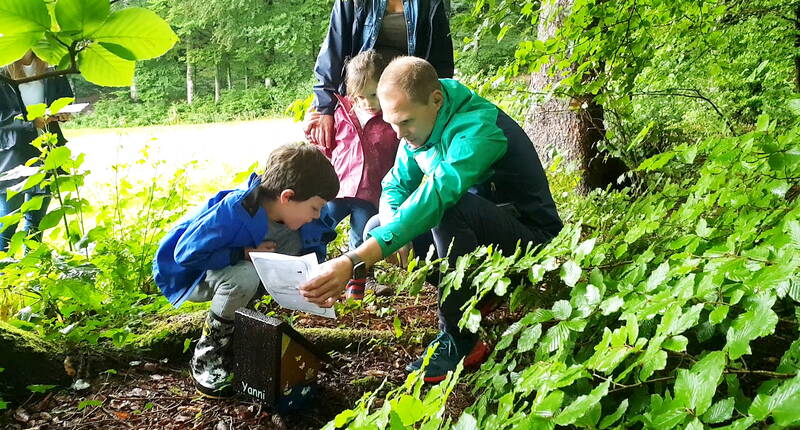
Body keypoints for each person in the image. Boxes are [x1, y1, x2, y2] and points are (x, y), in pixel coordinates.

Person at [300, 57, 563, 383]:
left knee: (448, 209)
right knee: (377, 227)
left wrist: (354, 259)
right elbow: (393, 186)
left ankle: (459, 338)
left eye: (405, 122)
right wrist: (396, 229)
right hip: (484, 243)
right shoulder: (419, 125)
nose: (398, 134)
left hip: (531, 243)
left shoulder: (478, 129)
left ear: (436, 100)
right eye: (391, 122)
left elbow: (439, 195)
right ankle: (477, 295)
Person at [153, 143, 339, 397]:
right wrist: (241, 254)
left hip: (237, 267)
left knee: (287, 248)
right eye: (314, 208)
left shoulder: (299, 217)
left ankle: (242, 335)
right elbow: (186, 253)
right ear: (286, 197)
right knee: (245, 276)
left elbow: (314, 246)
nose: (318, 215)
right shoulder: (235, 210)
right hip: (195, 273)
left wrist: (318, 281)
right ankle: (209, 356)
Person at [306, 50, 400, 300]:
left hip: (370, 192)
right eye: (361, 96)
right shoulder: (339, 114)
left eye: (374, 95)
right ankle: (312, 270)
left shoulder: (392, 120)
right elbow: (325, 146)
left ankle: (360, 283)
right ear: (350, 94)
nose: (369, 103)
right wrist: (312, 132)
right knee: (319, 225)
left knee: (362, 236)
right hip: (337, 187)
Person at [306, 0, 454, 152]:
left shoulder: (430, 3)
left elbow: (441, 59)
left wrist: (438, 109)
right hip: (362, 100)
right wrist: (324, 108)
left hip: (406, 102)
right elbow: (334, 49)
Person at [0, 51, 74, 251]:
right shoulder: (2, 69)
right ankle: (3, 277)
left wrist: (63, 113)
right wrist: (30, 123)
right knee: (7, 224)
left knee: (36, 224)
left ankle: (30, 275)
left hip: (47, 149)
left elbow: (65, 98)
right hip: (12, 154)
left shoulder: (52, 65)